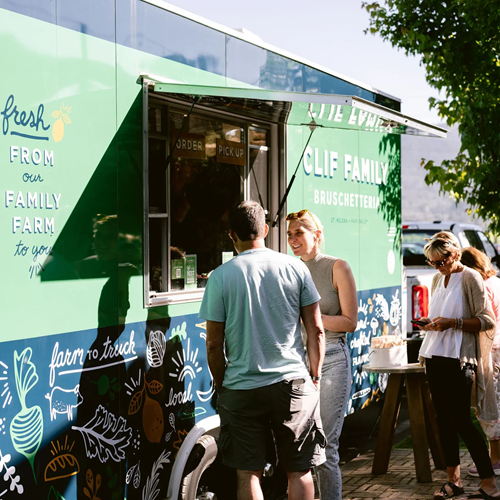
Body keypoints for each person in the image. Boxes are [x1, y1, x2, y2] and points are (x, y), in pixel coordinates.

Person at [199, 201, 326, 500]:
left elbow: (213, 343)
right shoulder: (295, 267)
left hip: (241, 388)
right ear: (266, 230)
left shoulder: (220, 276)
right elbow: (316, 330)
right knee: (299, 469)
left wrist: (222, 383)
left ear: (232, 235)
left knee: (248, 472)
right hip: (292, 383)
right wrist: (315, 374)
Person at [416, 232, 500, 500]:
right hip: (434, 355)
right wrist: (430, 322)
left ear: (455, 254)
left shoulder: (470, 277)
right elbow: (440, 314)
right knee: (443, 421)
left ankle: (489, 483)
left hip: (459, 359)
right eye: (432, 262)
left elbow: (487, 321)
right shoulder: (437, 279)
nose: (437, 267)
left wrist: (453, 323)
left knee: (462, 421)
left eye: (440, 261)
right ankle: (454, 481)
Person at [286, 209, 357, 500]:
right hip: (296, 364)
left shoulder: (337, 267)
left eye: (298, 233)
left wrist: (312, 318)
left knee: (326, 446)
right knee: (299, 446)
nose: (293, 239)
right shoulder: (290, 269)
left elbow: (350, 322)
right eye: (289, 234)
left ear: (316, 235)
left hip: (332, 361)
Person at [461, 247, 500, 477]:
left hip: (490, 349)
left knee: (488, 405)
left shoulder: (483, 287)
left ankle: (495, 460)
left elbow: (483, 321)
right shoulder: (497, 282)